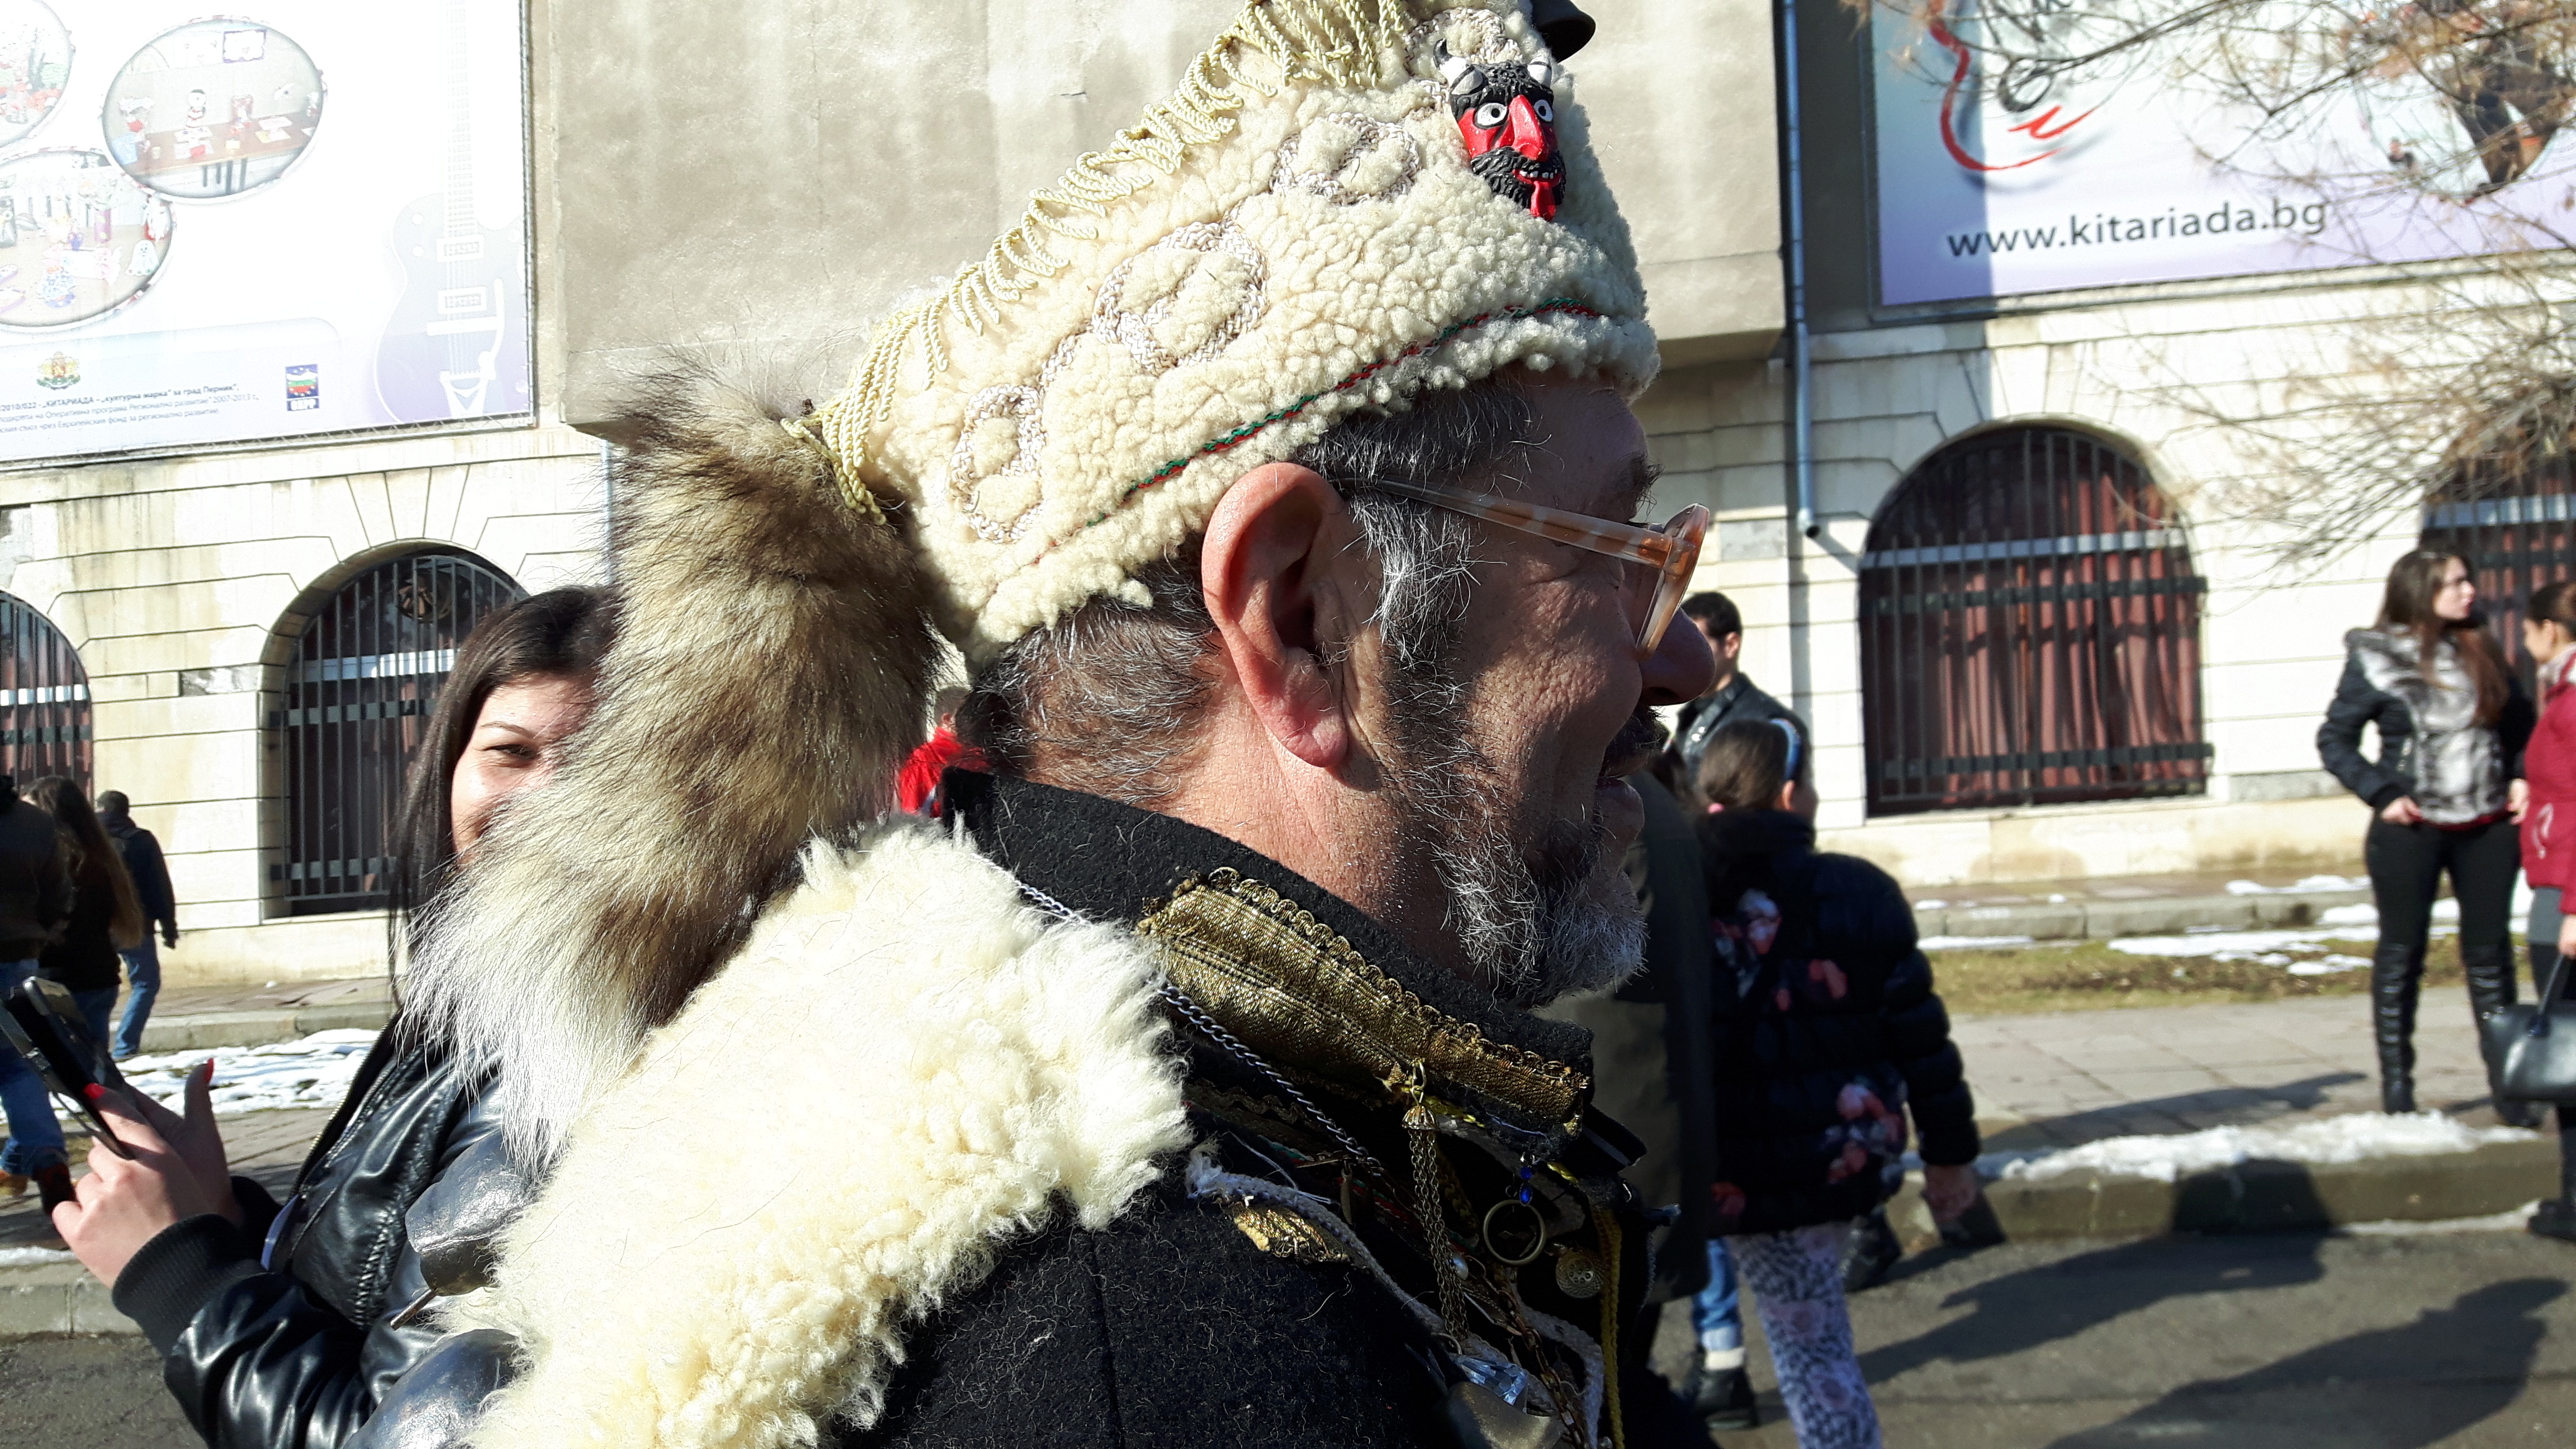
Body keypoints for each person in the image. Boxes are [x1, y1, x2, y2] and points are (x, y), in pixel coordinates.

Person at [364, 4, 1721, 1445]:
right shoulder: (1159, 1357)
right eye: (1609, 548)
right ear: (1299, 620)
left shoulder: (1005, 1068)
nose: (1688, 649)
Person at [47, 586, 614, 1449]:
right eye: (512, 751)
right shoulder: (479, 991)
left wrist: (181, 1275)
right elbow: (383, 1276)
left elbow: (392, 1434)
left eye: (603, 761)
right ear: (448, 766)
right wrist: (226, 1221)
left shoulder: (577, 1058)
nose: (544, 797)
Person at [1690, 718, 1981, 1449]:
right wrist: (1949, 1160)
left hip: (1718, 1165)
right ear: (1792, 794)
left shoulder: (1671, 890)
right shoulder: (1861, 892)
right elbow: (1922, 1041)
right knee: (1816, 1352)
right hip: (1831, 1158)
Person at [1537, 771, 1741, 1424]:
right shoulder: (1650, 799)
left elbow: (1568, 976)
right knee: (1617, 1377)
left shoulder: (1605, 800)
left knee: (1599, 1388)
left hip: (1611, 1138)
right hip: (1647, 1124)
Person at [2319, 549, 2536, 1117]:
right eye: (2456, 583)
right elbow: (2335, 741)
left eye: (2468, 579)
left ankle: (2509, 1089)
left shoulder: (2480, 646)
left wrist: (2519, 776)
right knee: (2401, 952)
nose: (2470, 591)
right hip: (2410, 828)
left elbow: (2521, 727)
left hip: (2487, 826)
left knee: (2490, 957)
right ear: (2421, 591)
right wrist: (2383, 794)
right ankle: (2398, 1089)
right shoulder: (2375, 656)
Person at [2511, 578, 2576, 1242]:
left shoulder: (2574, 697)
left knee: (2566, 1052)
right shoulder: (2563, 690)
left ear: (2548, 631)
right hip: (2558, 882)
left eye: (2526, 630)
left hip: (2567, 895)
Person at [27, 776, 148, 1053]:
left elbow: (60, 925)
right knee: (96, 1076)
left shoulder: (56, 860)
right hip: (98, 977)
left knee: (55, 1075)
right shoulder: (101, 856)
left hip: (61, 983)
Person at [0, 772, 73, 1205]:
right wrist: (42, 934)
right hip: (18, 955)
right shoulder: (34, 823)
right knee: (20, 1066)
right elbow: (59, 895)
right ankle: (48, 1159)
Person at [1669, 590, 1807, 787]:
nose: (1682, 655)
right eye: (1678, 644)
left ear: (1731, 645)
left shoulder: (1767, 722)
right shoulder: (1691, 714)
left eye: (1695, 643)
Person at [96, 790, 179, 1059]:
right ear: (127, 811)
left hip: (95, 926)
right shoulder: (141, 840)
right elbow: (159, 886)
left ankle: (94, 1048)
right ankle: (125, 1046)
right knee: (145, 983)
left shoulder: (83, 838)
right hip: (135, 924)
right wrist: (168, 925)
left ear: (98, 808)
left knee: (98, 988)